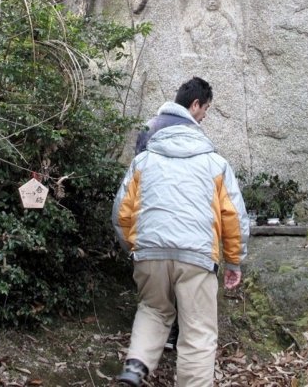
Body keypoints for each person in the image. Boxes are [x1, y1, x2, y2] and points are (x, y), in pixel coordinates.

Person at [112, 76, 250, 387]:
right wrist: (234, 261)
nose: (205, 116)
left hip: (149, 252)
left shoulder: (143, 159)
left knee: (153, 310)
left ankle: (135, 367)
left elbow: (122, 213)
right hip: (197, 255)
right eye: (206, 110)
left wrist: (137, 247)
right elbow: (234, 217)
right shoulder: (215, 163)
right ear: (195, 107)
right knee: (198, 330)